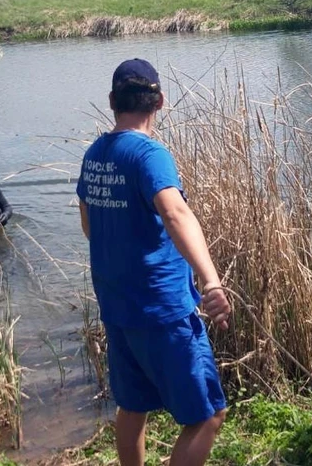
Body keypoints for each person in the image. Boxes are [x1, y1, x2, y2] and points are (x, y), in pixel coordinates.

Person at [76, 58, 232, 466]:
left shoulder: (95, 154)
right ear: (160, 101)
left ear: (112, 101)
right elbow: (175, 212)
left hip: (118, 307)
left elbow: (89, 224)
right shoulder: (149, 154)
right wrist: (211, 281)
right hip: (162, 309)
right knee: (209, 414)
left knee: (132, 406)